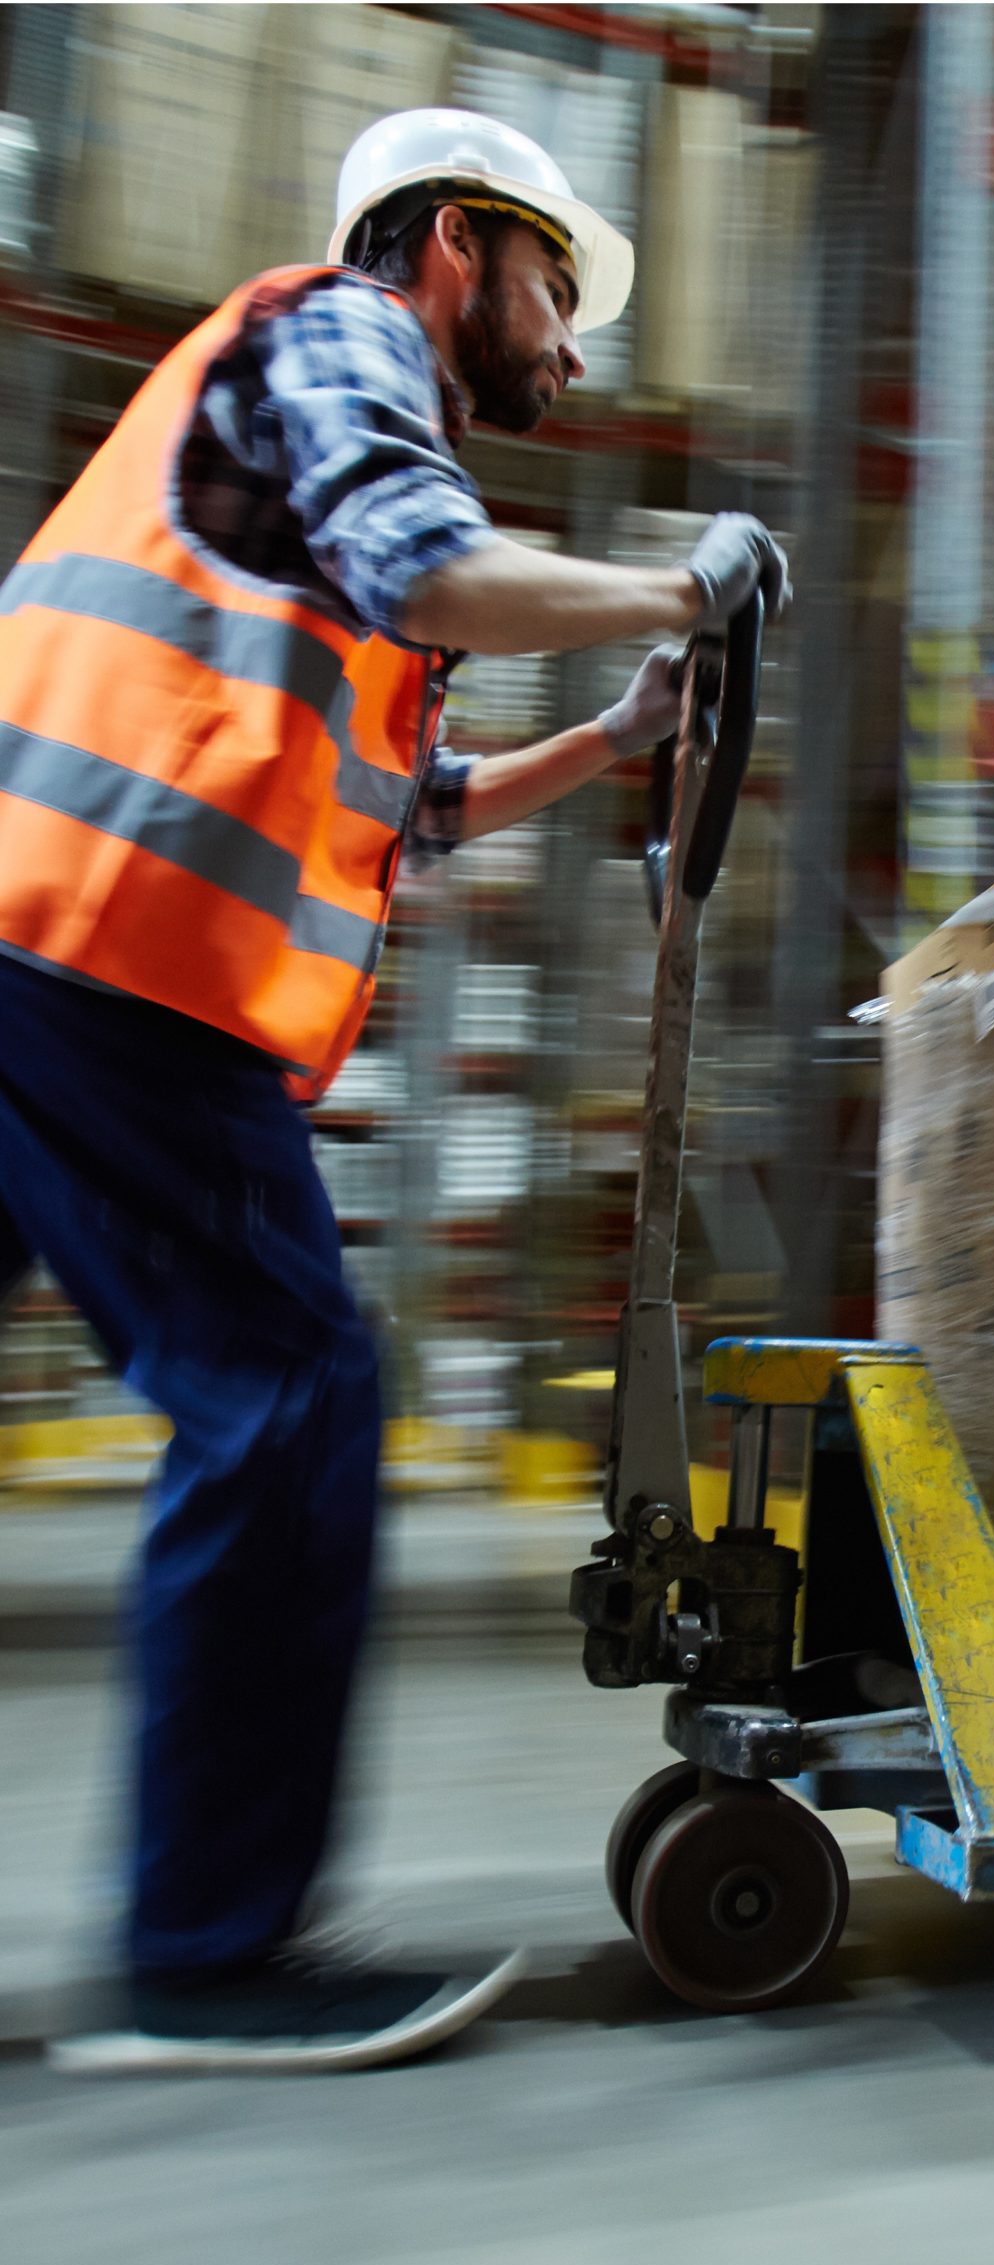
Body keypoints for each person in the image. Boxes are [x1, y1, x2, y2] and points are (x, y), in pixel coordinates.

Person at [0, 109, 789, 2075]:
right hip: (101, 953)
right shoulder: (343, 336)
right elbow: (429, 567)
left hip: (40, 937)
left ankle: (203, 1930)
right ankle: (206, 1946)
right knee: (286, 1399)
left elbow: (409, 803)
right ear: (457, 245)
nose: (574, 345)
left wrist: (610, 730)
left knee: (270, 1398)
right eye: (556, 291)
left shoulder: (285, 439)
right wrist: (675, 593)